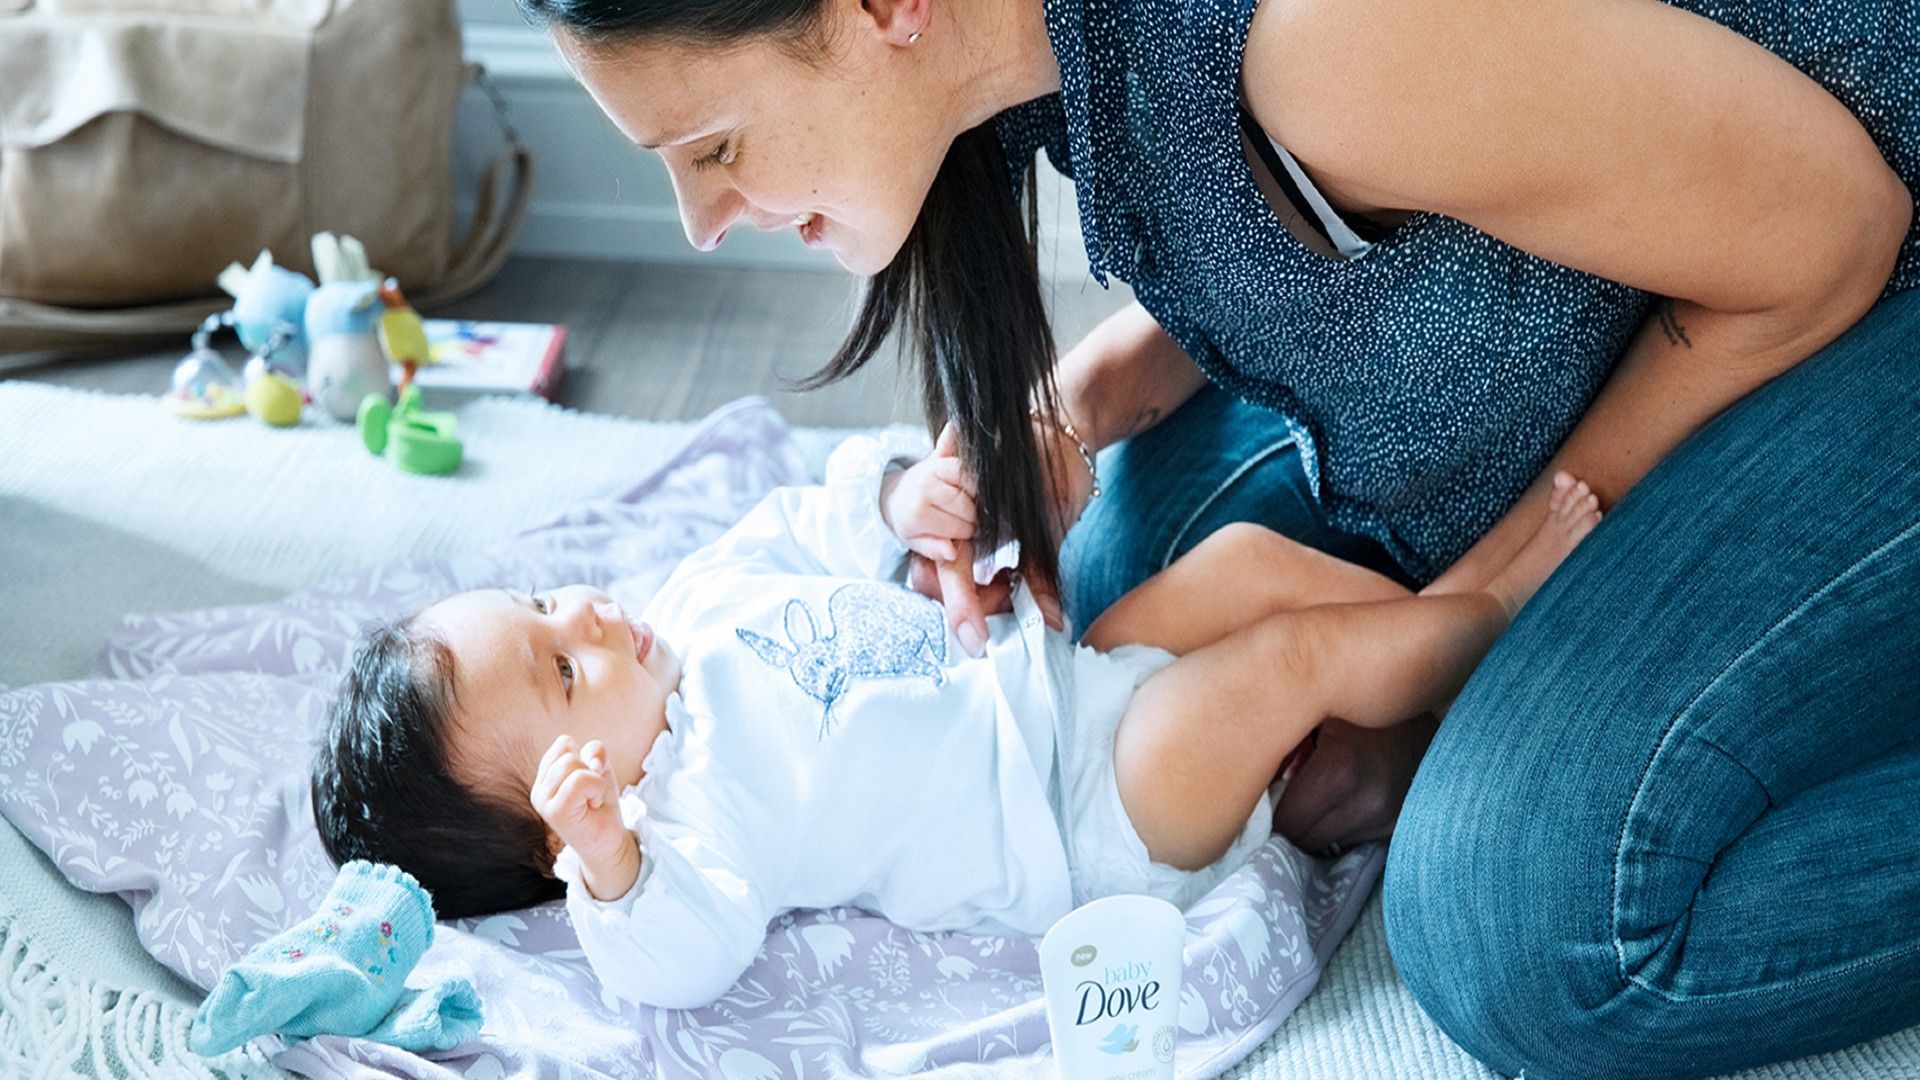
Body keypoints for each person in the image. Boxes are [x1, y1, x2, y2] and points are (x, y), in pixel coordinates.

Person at [512, 0, 1920, 1072]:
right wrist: (1074, 408)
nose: (696, 224)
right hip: (1620, 264)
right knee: (1122, 618)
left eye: (713, 148)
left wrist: (1491, 608)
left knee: (1517, 920)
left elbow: (1833, 233)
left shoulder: (1327, 43)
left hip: (1856, 274)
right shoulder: (1037, 58)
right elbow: (1278, 219)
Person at [309, 436, 1601, 1009]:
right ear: (574, 803)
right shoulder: (693, 825)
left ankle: (1432, 642)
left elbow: (814, 518)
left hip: (1065, 677)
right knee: (1289, 659)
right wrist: (609, 863)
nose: (590, 616)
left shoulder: (692, 606)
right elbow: (673, 960)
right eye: (564, 670)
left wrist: (895, 495)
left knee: (1251, 565)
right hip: (1088, 814)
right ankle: (1499, 606)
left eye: (547, 604)